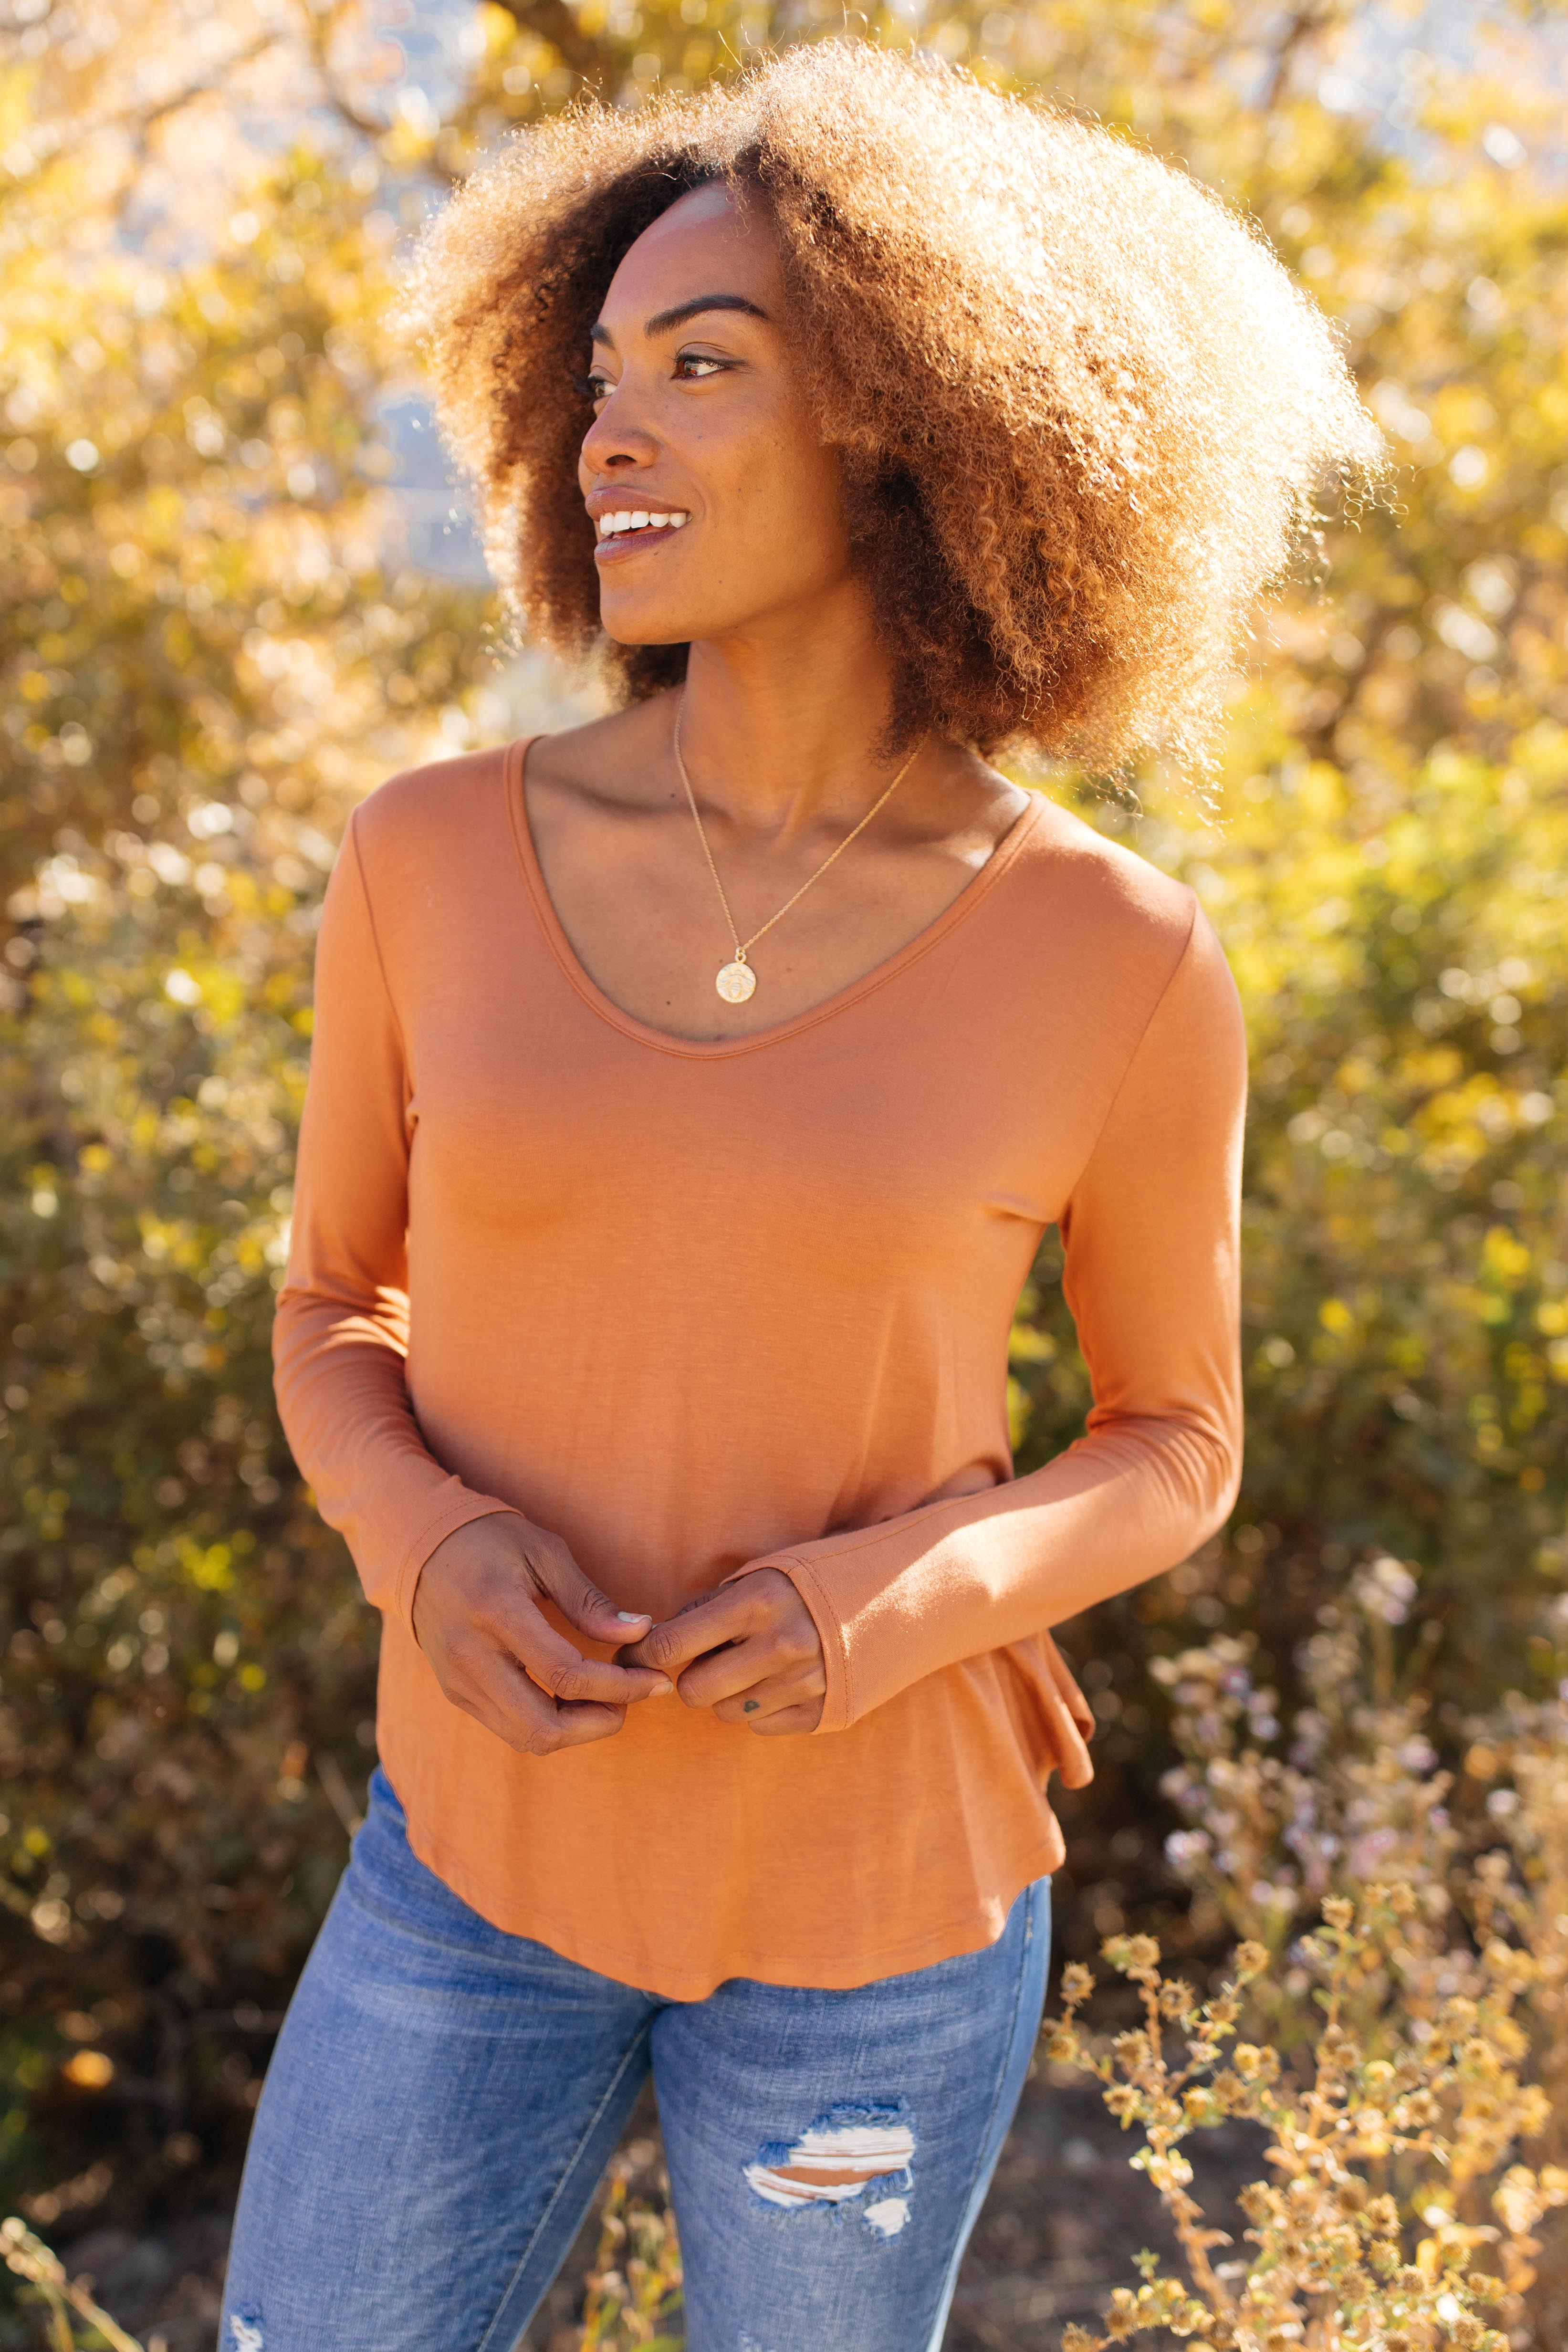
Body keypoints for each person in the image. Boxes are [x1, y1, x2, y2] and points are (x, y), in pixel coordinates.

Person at [220, 41, 1378, 2352]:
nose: (606, 433)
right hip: (468, 1869)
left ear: (908, 421)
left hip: (883, 1915)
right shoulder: (427, 858)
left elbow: (1178, 1442)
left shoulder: (1118, 957)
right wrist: (427, 1543)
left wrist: (887, 1597)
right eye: (599, 374)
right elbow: (334, 1298)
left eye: (702, 366)